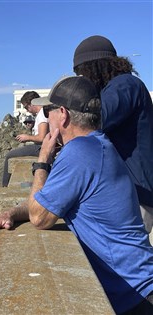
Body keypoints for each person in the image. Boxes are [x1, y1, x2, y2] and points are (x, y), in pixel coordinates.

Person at [0, 76, 153, 315]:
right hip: (138, 287)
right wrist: (10, 213)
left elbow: (40, 217)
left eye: (48, 110)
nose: (45, 117)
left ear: (62, 114)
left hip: (135, 295)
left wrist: (42, 162)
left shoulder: (80, 152)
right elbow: (47, 201)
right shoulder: (97, 145)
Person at [73, 35, 153, 242]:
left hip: (138, 193)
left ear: (95, 67)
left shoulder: (125, 85)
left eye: (82, 72)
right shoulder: (120, 86)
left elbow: (98, 119)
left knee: (128, 254)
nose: (82, 79)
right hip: (133, 189)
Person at [1, 91, 48, 187]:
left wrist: (27, 138)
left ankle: (5, 186)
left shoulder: (42, 114)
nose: (27, 110)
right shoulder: (42, 113)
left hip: (41, 148)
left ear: (32, 103)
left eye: (26, 107)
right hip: (40, 146)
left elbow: (42, 138)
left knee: (10, 155)